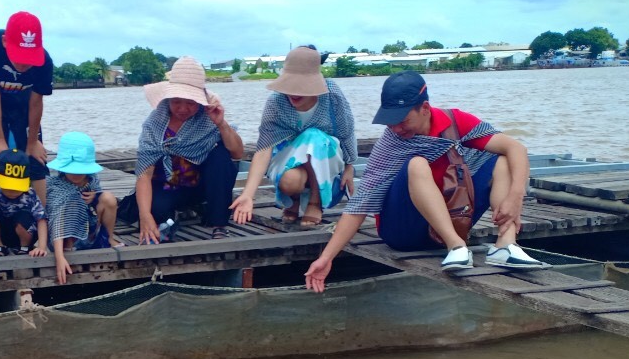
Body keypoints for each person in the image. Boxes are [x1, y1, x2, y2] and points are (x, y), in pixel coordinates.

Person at [305, 71, 546, 291]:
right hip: (403, 232)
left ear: (425, 108)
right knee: (416, 163)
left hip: (451, 215)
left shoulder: (456, 122)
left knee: (500, 159)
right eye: (391, 122)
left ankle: (505, 244)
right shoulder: (390, 144)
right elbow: (359, 204)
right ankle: (456, 247)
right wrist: (326, 258)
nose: (397, 128)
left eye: (403, 120)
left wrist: (515, 198)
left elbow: (516, 148)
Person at [229, 45, 357, 229]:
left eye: (301, 87)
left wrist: (349, 166)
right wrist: (248, 194)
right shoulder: (276, 101)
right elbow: (264, 148)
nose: (294, 93)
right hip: (289, 155)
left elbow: (347, 130)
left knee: (313, 137)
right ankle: (293, 201)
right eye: (290, 86)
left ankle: (315, 202)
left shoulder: (332, 95)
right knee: (291, 181)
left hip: (324, 155)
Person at [126, 56, 244, 243]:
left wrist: (221, 124)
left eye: (190, 102)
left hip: (199, 184)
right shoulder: (154, 124)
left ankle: (218, 223)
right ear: (168, 99)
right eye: (176, 102)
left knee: (220, 156)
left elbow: (238, 153)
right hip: (166, 184)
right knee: (155, 210)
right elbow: (144, 173)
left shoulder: (207, 118)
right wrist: (145, 215)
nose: (182, 108)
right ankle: (183, 211)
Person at [0, 11, 53, 202]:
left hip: (23, 99)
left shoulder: (45, 62)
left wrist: (32, 141)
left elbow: (36, 102)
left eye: (29, 58)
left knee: (34, 155)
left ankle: (42, 213)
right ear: (4, 41)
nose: (24, 64)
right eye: (20, 57)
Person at [45, 131, 121, 284]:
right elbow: (57, 220)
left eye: (80, 170)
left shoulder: (92, 180)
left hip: (89, 228)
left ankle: (109, 238)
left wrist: (95, 197)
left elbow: (99, 198)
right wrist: (59, 257)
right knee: (72, 203)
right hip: (63, 237)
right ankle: (68, 248)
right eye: (72, 170)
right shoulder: (55, 185)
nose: (76, 174)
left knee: (108, 198)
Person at [0, 149, 48, 257]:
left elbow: (41, 219)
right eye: (8, 187)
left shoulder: (30, 194)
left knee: (23, 215)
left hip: (25, 231)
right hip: (2, 232)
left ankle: (25, 247)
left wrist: (42, 246)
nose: (12, 192)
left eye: (17, 188)